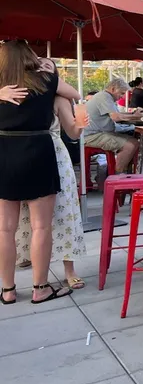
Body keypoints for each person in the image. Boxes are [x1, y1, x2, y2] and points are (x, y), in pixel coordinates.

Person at [0, 40, 80, 305]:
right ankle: (40, 287)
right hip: (38, 150)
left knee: (4, 230)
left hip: (4, 151)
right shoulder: (46, 80)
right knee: (41, 226)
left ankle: (8, 290)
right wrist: (51, 73)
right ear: (28, 56)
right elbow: (76, 94)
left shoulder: (1, 85)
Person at [17, 96, 87, 289]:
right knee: (25, 211)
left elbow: (73, 133)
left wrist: (81, 121)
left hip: (54, 154)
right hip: (22, 153)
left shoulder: (57, 99)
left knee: (64, 211)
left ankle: (69, 269)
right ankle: (26, 254)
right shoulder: (16, 92)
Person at [85, 78, 142, 173]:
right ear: (113, 89)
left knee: (134, 142)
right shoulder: (104, 96)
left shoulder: (105, 97)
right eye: (122, 93)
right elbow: (115, 117)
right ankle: (117, 175)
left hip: (97, 133)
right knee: (130, 145)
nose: (122, 97)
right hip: (92, 136)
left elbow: (117, 115)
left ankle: (119, 171)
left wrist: (133, 115)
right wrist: (134, 116)